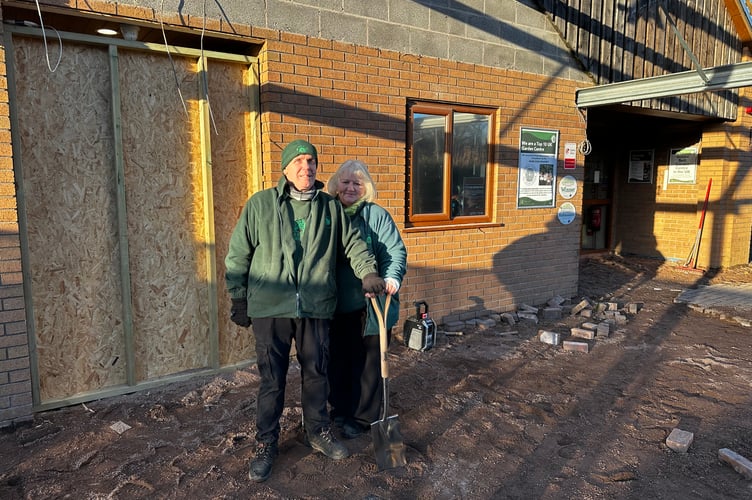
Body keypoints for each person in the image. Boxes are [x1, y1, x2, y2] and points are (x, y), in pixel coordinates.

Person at [225, 140, 386, 483]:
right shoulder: (261, 205)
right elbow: (239, 253)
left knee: (317, 373)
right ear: (285, 168)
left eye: (311, 161)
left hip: (315, 306)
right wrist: (238, 297)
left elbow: (354, 245)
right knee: (272, 380)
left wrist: (368, 272)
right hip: (271, 308)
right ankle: (266, 443)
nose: (306, 167)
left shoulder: (330, 207)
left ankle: (317, 431)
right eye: (298, 161)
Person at [326, 159, 407, 440]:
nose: (350, 188)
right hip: (333, 304)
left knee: (369, 362)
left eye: (357, 183)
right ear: (336, 184)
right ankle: (339, 409)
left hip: (370, 303)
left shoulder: (376, 216)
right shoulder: (327, 213)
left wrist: (392, 277)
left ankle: (362, 417)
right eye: (345, 182)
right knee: (338, 360)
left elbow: (394, 251)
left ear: (366, 188)